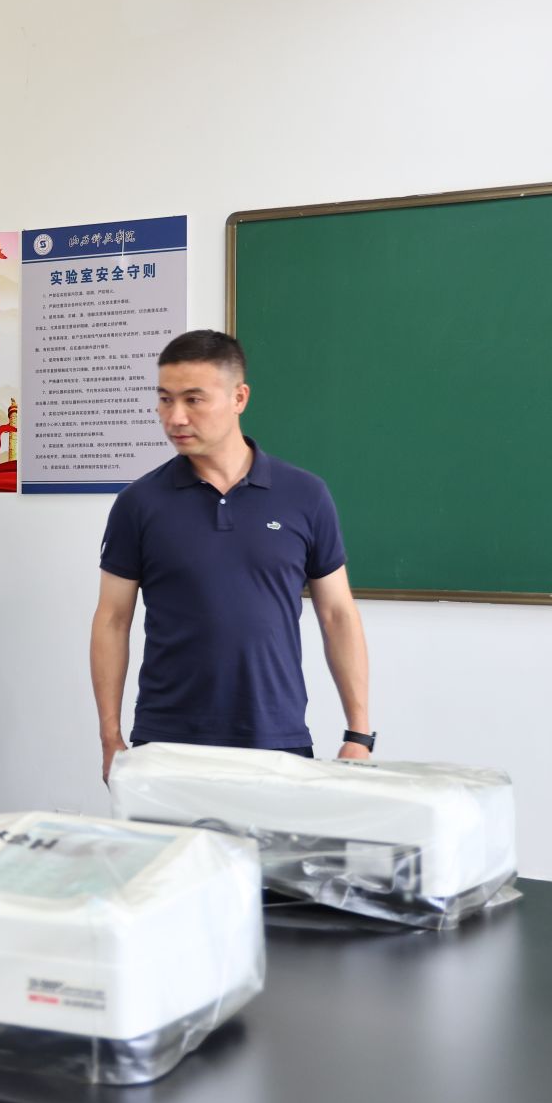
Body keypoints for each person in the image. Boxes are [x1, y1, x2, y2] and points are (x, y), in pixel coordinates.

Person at [91, 330, 373, 782]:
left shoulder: (305, 495)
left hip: (275, 737)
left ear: (239, 397)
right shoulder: (139, 504)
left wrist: (358, 732)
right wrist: (110, 736)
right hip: (166, 742)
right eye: (164, 400)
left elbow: (338, 613)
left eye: (193, 400)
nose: (175, 417)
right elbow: (112, 619)